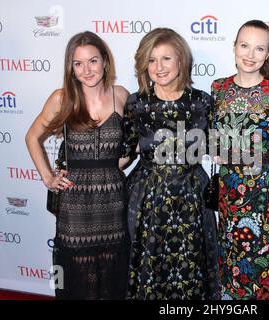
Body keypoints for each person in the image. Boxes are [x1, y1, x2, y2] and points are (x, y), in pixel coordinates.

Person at [25, 31, 130, 299]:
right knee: (75, 276)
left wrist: (115, 164)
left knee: (112, 274)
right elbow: (32, 136)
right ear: (70, 68)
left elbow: (132, 144)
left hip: (113, 202)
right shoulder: (63, 99)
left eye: (93, 61)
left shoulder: (121, 96)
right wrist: (48, 177)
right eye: (78, 63)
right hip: (75, 205)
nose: (87, 70)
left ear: (105, 61)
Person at [122, 27, 218, 300]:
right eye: (152, 60)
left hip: (191, 197)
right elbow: (125, 152)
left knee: (191, 267)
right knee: (149, 267)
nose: (159, 67)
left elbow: (218, 148)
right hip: (148, 198)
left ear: (182, 61)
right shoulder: (136, 103)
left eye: (166, 58)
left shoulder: (202, 102)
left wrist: (266, 154)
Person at [211, 20, 269, 300]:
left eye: (259, 48)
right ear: (234, 47)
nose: (250, 54)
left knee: (268, 277)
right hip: (230, 202)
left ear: (268, 52)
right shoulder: (218, 89)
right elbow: (215, 143)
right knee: (234, 277)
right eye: (245, 46)